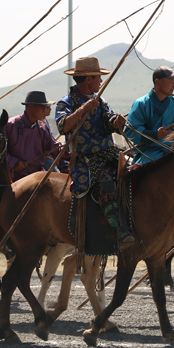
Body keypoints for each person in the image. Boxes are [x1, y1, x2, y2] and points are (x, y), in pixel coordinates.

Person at [55, 57, 134, 250]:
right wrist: (82, 109)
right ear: (88, 79)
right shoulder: (65, 103)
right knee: (106, 183)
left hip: (109, 153)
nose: (101, 81)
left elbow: (109, 121)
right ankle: (119, 230)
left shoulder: (101, 101)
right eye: (98, 77)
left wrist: (116, 122)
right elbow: (63, 126)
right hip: (86, 159)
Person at [125, 66, 174, 166]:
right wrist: (155, 134)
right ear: (158, 82)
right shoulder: (141, 104)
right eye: (170, 82)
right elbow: (131, 131)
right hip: (149, 154)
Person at [6, 91, 65, 181]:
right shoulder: (10, 125)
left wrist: (75, 153)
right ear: (31, 107)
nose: (45, 111)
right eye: (43, 107)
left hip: (37, 177)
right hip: (14, 178)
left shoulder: (42, 127)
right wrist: (14, 163)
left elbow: (55, 148)